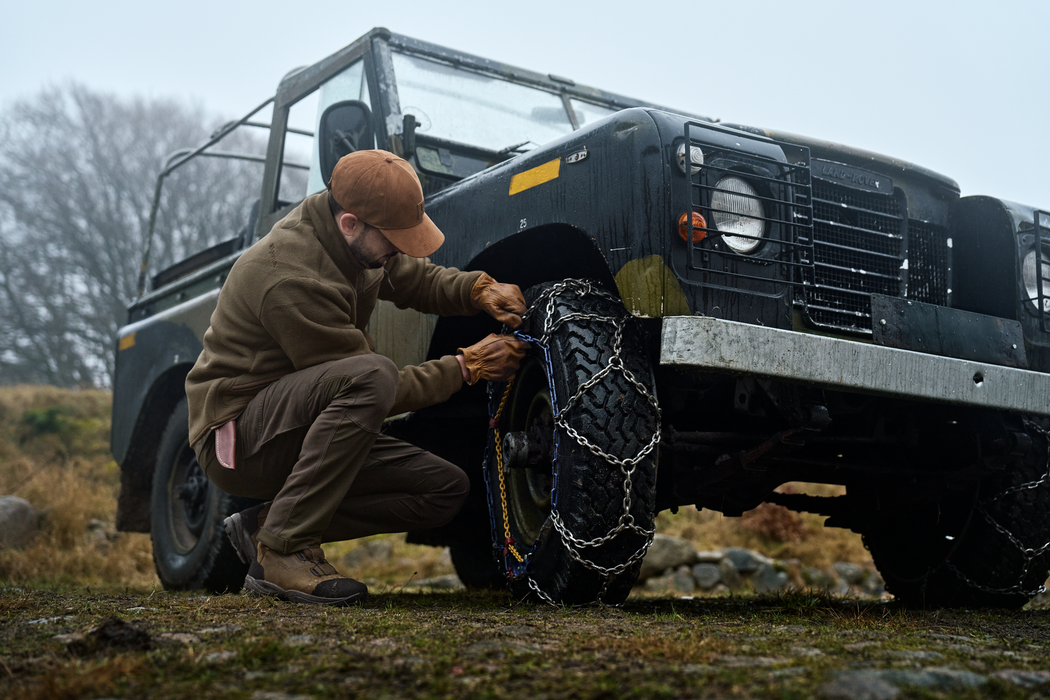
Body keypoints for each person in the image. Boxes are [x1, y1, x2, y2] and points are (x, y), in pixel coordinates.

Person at [185, 149, 529, 606]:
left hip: (301, 421)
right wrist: (468, 367)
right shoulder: (290, 277)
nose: (399, 250)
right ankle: (284, 549)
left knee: (444, 489)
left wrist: (478, 289)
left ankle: (266, 527)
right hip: (241, 437)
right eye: (394, 240)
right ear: (350, 223)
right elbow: (377, 389)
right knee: (373, 373)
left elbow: (413, 278)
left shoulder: (355, 242)